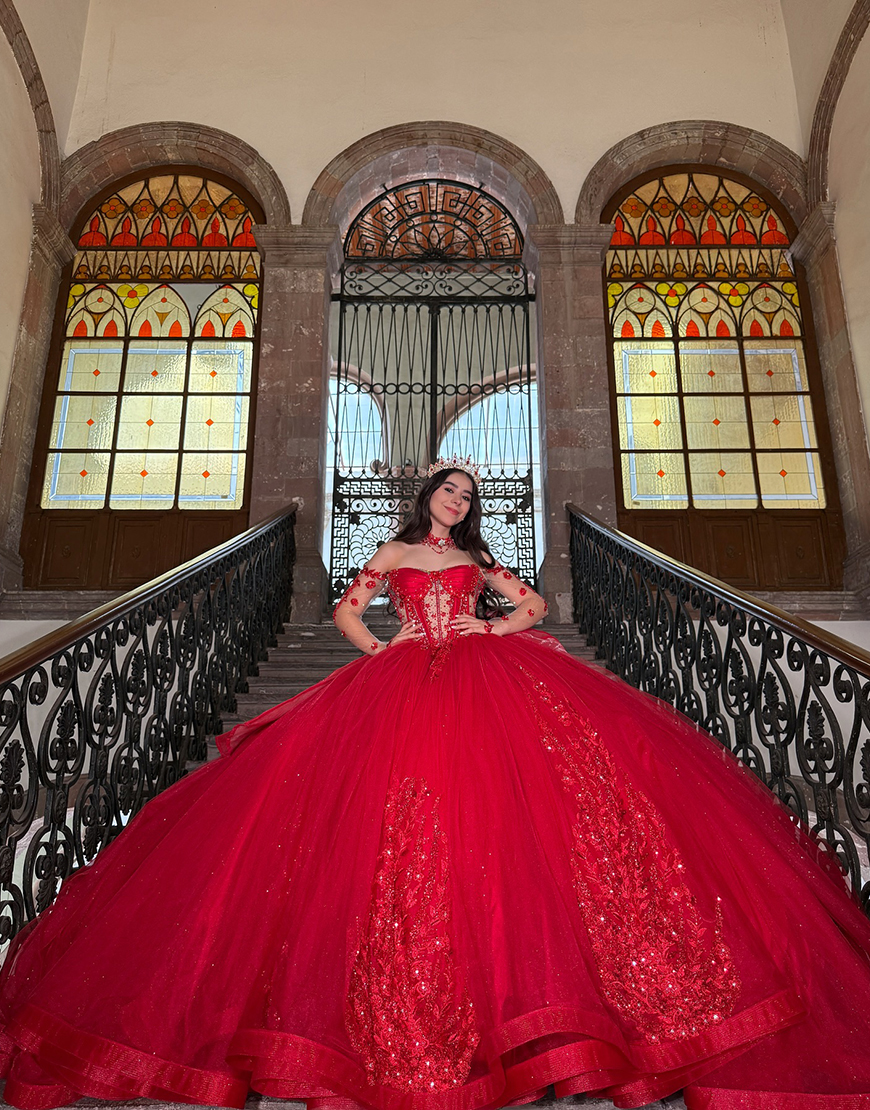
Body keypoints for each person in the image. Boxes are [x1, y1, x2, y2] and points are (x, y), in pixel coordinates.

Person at [0, 456, 869, 1110]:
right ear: (425, 499)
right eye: (449, 492)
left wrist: (496, 632)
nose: (457, 503)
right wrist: (384, 649)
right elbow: (347, 607)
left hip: (487, 681)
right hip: (403, 683)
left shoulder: (480, 557)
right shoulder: (391, 550)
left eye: (466, 496)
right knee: (397, 834)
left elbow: (534, 608)